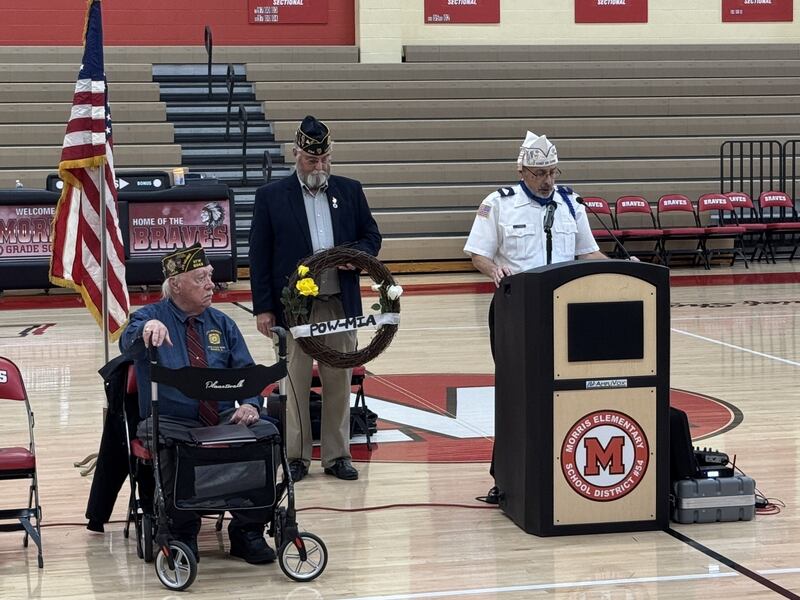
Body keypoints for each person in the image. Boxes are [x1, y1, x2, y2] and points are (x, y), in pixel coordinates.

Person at [463, 132, 608, 503]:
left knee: (567, 391)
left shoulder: (570, 203)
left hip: (565, 310)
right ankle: (507, 476)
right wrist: (492, 269)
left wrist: (627, 268)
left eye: (552, 172)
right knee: (516, 392)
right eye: (539, 173)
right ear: (522, 171)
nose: (547, 181)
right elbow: (477, 253)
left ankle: (562, 466)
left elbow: (588, 253)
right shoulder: (499, 203)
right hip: (516, 310)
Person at [120, 243, 277, 565]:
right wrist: (145, 330)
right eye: (201, 278)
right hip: (171, 419)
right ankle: (181, 533)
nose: (210, 285)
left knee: (268, 434)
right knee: (173, 444)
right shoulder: (150, 317)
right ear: (176, 284)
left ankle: (247, 530)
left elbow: (246, 373)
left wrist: (249, 404)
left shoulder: (223, 324)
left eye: (210, 277)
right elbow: (128, 339)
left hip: (219, 415)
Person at [249, 115, 382, 482]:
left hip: (338, 301)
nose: (319, 167)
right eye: (311, 160)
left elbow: (372, 237)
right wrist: (263, 308)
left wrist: (356, 257)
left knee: (338, 379)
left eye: (324, 160)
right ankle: (296, 456)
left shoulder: (350, 190)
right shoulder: (271, 197)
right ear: (295, 155)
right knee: (294, 382)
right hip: (294, 309)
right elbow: (258, 256)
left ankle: (337, 455)